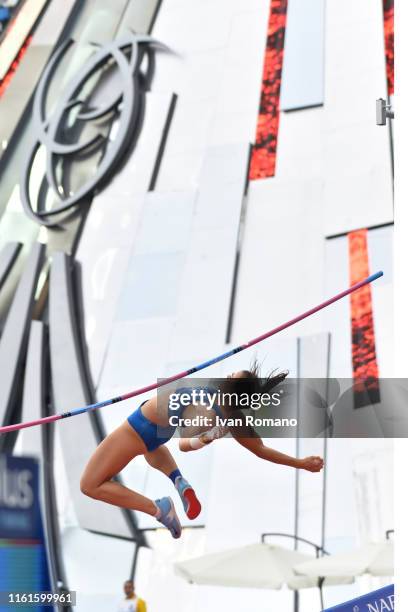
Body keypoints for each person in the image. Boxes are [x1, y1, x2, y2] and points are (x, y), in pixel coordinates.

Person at [80, 361, 324, 539]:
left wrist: (206, 438)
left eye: (231, 375)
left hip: (139, 428)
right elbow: (260, 449)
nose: (227, 374)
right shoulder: (233, 416)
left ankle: (158, 508)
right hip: (158, 432)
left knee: (90, 485)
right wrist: (301, 463)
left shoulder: (208, 408)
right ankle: (179, 481)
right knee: (151, 450)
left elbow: (184, 444)